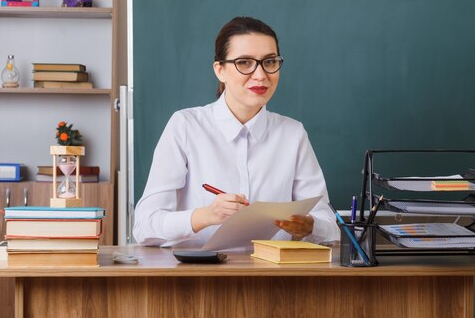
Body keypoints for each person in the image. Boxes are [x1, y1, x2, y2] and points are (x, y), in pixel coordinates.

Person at [133, 16, 340, 247]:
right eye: (244, 63)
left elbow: (330, 226)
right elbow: (144, 226)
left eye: (269, 62)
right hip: (198, 277)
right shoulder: (185, 126)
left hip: (276, 276)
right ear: (220, 70)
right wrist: (205, 216)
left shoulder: (292, 133)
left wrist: (311, 225)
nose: (260, 75)